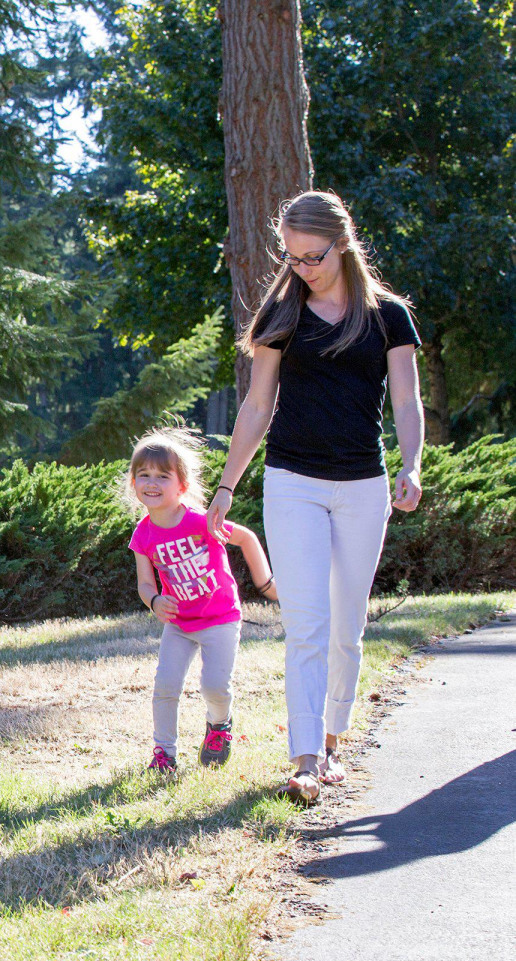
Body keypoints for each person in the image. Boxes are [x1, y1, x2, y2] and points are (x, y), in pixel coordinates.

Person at [206, 190, 424, 805]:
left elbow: (406, 401)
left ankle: (332, 742)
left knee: (346, 626)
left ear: (343, 241)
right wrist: (227, 485)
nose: (301, 268)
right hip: (293, 481)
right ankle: (303, 757)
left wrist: (412, 465)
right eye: (292, 257)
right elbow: (256, 405)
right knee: (306, 622)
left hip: (363, 485)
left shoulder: (388, 317)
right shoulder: (281, 315)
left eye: (312, 256)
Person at [125, 428, 277, 773]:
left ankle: (219, 725)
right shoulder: (142, 534)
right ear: (133, 483)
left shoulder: (200, 522)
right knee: (165, 687)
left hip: (221, 618)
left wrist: (266, 583)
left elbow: (248, 538)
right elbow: (145, 583)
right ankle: (164, 754)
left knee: (215, 687)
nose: (152, 482)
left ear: (182, 485)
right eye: (144, 475)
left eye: (163, 476)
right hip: (179, 625)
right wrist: (154, 601)